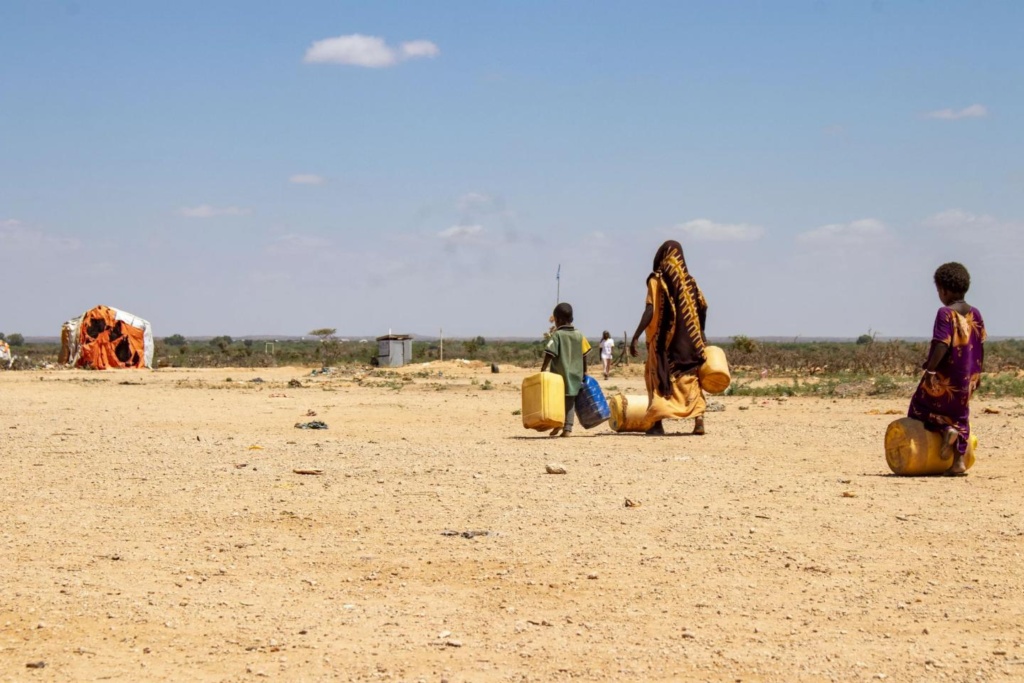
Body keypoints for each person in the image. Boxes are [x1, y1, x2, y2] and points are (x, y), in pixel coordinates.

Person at [908, 262, 986, 476]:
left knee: (919, 406)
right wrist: (978, 375)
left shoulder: (945, 313)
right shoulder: (976, 314)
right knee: (960, 414)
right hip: (968, 377)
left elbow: (942, 343)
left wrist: (931, 370)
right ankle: (958, 462)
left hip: (946, 378)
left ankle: (945, 430)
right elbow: (980, 345)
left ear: (943, 290)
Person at [629, 240, 707, 436]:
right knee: (690, 378)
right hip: (689, 342)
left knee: (658, 378)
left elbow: (650, 309)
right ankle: (698, 419)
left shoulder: (657, 281)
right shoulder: (690, 282)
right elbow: (702, 307)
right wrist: (701, 335)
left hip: (662, 342)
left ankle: (657, 424)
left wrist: (636, 335)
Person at [541, 302, 591, 437]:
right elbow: (584, 355)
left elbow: (549, 353)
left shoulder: (557, 335)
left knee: (557, 401)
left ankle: (561, 425)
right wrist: (585, 371)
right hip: (576, 375)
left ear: (558, 320)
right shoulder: (579, 335)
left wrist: (543, 369)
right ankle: (565, 427)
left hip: (559, 376)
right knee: (570, 401)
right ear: (572, 319)